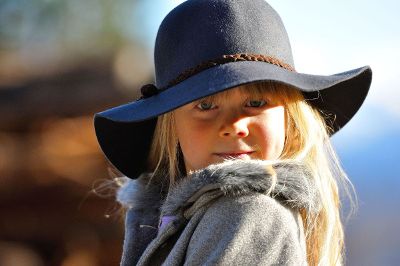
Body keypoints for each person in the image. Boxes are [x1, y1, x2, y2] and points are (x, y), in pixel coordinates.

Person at [94, 0, 372, 265]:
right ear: (171, 125)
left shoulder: (247, 213)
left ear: (291, 121)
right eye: (205, 105)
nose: (234, 126)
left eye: (256, 103)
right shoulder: (180, 218)